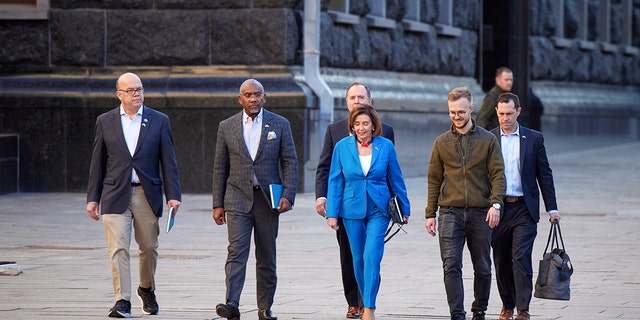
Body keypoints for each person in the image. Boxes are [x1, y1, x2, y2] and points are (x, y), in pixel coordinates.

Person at [86, 72, 182, 318]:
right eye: (131, 90)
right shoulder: (105, 121)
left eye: (139, 89)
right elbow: (97, 161)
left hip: (146, 194)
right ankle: (122, 300)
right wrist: (92, 198)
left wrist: (173, 195)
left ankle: (146, 288)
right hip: (114, 193)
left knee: (149, 247)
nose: (137, 93)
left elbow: (168, 161)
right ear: (119, 94)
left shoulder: (159, 120)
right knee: (118, 248)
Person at [212, 79, 298, 320]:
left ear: (264, 97)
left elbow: (290, 161)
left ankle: (264, 307)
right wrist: (218, 203)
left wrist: (288, 195)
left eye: (257, 95)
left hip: (268, 200)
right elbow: (220, 167)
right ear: (240, 99)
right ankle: (232, 303)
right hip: (237, 198)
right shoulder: (226, 126)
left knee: (267, 254)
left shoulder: (280, 124)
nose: (253, 99)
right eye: (248, 95)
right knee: (237, 251)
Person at [314, 82, 395, 319]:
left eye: (361, 97)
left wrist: (394, 205)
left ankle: (367, 303)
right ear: (347, 102)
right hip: (347, 206)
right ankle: (353, 301)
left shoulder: (386, 132)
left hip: (376, 206)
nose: (357, 101)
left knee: (371, 254)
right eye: (352, 97)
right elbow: (326, 169)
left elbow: (391, 172)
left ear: (370, 100)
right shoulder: (334, 131)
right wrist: (323, 199)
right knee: (350, 254)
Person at [424, 87, 505, 320]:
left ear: (471, 108)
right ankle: (457, 315)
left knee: (482, 267)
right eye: (452, 113)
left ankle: (479, 311)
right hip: (450, 211)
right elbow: (434, 179)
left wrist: (496, 204)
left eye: (461, 111)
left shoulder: (488, 140)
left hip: (481, 212)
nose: (456, 117)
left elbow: (498, 174)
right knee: (451, 265)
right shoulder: (441, 143)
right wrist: (431, 213)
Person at [326, 104, 410, 320]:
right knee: (358, 259)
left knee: (371, 255)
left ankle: (369, 308)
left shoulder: (386, 146)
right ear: (351, 127)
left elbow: (396, 179)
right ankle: (364, 300)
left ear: (374, 125)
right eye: (357, 124)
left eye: (365, 123)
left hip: (378, 209)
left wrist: (405, 207)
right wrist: (332, 214)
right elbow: (335, 182)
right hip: (351, 209)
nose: (361, 128)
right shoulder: (342, 147)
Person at [490, 92, 561, 320]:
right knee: (500, 259)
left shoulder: (533, 139)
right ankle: (507, 305)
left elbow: (545, 175)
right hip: (498, 209)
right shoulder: (489, 139)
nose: (505, 118)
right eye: (501, 114)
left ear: (518, 112)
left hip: (524, 208)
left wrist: (552, 209)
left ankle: (523, 309)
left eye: (509, 113)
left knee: (520, 256)